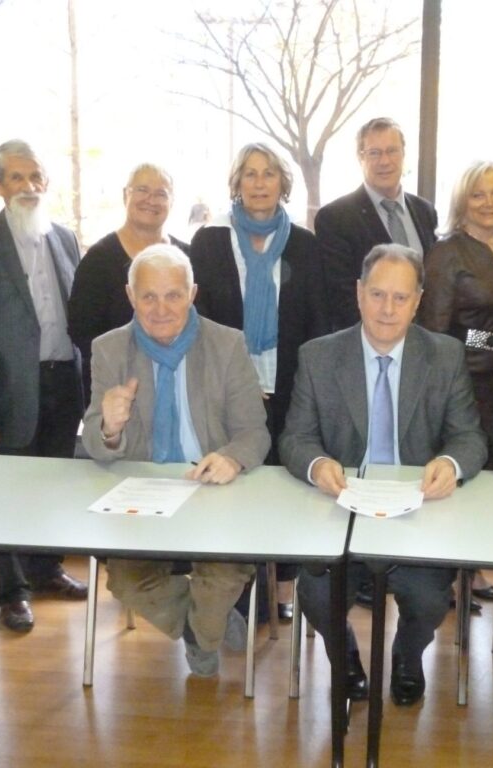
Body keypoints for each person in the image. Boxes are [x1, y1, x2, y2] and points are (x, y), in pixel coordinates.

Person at [280, 244, 487, 706]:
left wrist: (449, 465)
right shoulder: (318, 356)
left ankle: (407, 656)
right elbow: (295, 438)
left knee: (430, 597)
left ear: (418, 300)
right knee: (316, 590)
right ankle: (347, 659)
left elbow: (470, 438)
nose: (387, 309)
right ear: (358, 294)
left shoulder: (446, 355)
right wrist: (317, 465)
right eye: (377, 294)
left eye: (400, 297)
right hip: (339, 507)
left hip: (417, 508)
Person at [81, 244, 271, 677]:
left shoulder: (226, 344)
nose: (161, 308)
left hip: (211, 491)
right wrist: (110, 427)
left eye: (173, 295)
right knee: (127, 582)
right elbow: (96, 442)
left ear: (193, 293)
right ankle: (205, 626)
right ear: (131, 297)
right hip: (141, 495)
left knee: (224, 575)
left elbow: (254, 432)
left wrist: (232, 459)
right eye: (148, 296)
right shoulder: (109, 350)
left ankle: (203, 632)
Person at [189, 143, 329, 620]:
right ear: (237, 183)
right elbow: (199, 318)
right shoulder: (209, 242)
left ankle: (284, 590)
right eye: (250, 174)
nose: (260, 182)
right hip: (231, 388)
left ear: (282, 183)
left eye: (269, 174)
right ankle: (240, 593)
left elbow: (318, 320)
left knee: (286, 487)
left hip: (289, 384)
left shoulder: (306, 245)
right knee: (239, 488)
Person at [0, 140, 88, 634]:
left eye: (35, 176)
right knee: (6, 495)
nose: (28, 186)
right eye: (16, 178)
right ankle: (12, 593)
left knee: (52, 487)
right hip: (9, 392)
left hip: (62, 384)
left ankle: (47, 570)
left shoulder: (65, 238)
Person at [419, 160, 493, 602]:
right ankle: (447, 573)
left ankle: (473, 568)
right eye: (478, 194)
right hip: (464, 380)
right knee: (463, 473)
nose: (489, 203)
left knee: (488, 477)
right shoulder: (448, 253)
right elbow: (439, 331)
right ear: (463, 200)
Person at [68, 163, 189, 396]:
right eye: (142, 190)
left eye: (161, 194)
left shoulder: (188, 257)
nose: (151, 200)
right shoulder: (98, 260)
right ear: (126, 195)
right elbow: (82, 330)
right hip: (119, 389)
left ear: (172, 202)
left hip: (181, 387)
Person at [316, 117, 438, 331]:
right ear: (360, 158)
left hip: (422, 349)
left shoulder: (425, 212)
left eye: (392, 151)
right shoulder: (335, 219)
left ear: (403, 154)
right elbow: (342, 300)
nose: (384, 161)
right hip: (368, 348)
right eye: (374, 153)